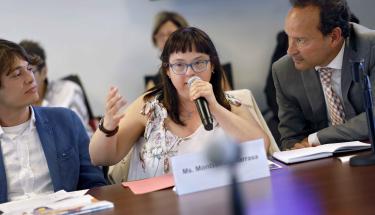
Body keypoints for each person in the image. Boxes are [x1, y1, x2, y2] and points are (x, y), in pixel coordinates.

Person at [89, 27, 270, 181]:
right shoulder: (148, 107)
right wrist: (108, 127)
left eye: (199, 63)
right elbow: (100, 158)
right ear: (167, 70)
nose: (190, 73)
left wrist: (214, 107)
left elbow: (262, 147)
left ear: (213, 65)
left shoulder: (230, 104)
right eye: (179, 65)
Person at [0, 39, 106, 203]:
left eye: (29, 69)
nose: (31, 78)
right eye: (17, 74)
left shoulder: (66, 121)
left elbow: (94, 184)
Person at [272, 0, 375, 150]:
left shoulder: (371, 49)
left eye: (300, 40)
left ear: (334, 37)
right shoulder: (284, 70)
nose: (290, 50)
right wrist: (297, 148)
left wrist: (317, 138)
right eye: (289, 36)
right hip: (324, 166)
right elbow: (292, 138)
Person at [19, 40, 93, 136]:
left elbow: (77, 136)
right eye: (18, 74)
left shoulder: (68, 91)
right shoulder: (15, 104)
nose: (24, 80)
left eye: (30, 71)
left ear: (44, 72)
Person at [145, 11, 189, 90]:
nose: (166, 39)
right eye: (161, 35)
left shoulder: (208, 71)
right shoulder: (153, 84)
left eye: (171, 34)